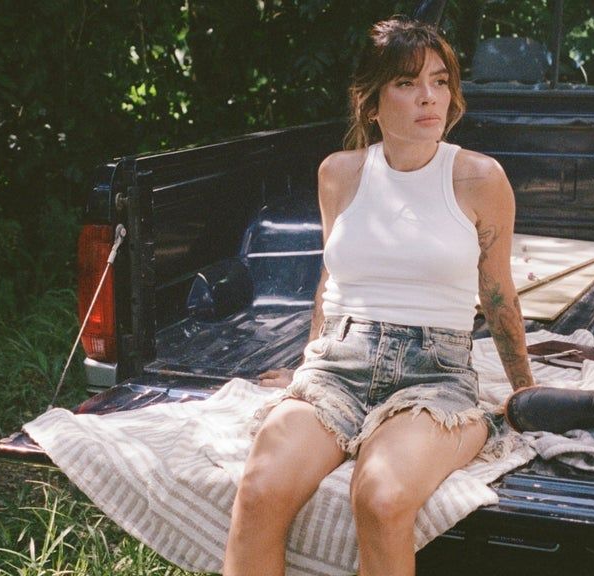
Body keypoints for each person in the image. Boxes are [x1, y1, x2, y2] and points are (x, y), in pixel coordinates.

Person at [223, 16, 535, 576]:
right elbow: (331, 280)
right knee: (261, 487)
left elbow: (497, 294)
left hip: (433, 374)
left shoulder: (480, 178)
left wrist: (526, 393)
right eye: (406, 83)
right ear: (370, 102)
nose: (428, 97)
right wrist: (305, 364)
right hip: (337, 366)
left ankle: (470, 426)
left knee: (381, 496)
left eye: (440, 81)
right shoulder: (339, 173)